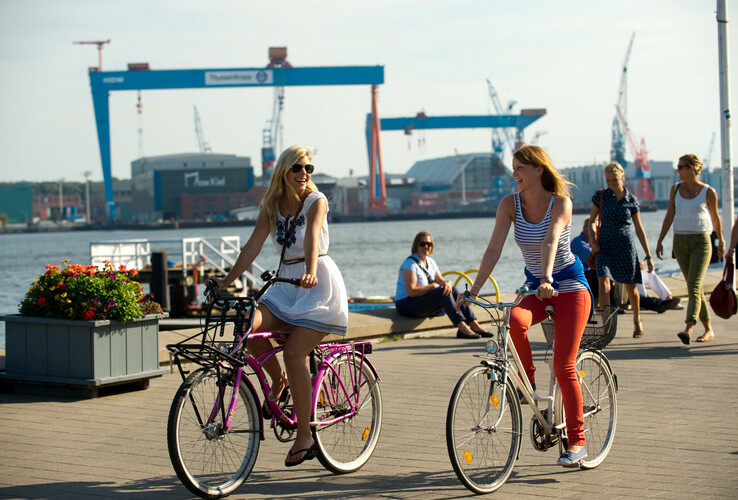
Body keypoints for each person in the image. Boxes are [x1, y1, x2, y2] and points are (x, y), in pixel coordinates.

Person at [214, 145, 348, 467]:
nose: (304, 174)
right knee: (246, 324)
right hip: (285, 285)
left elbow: (313, 237)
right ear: (284, 172)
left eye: (308, 169)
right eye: (298, 169)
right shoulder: (272, 205)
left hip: (317, 286)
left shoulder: (317, 201)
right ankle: (279, 381)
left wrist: (311, 272)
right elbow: (252, 246)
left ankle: (305, 435)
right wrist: (226, 281)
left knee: (294, 353)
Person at [460, 145, 592, 467]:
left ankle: (577, 442)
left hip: (570, 287)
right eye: (514, 168)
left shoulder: (561, 203)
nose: (515, 173)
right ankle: (529, 387)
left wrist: (548, 277)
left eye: (520, 168)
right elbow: (494, 249)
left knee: (563, 366)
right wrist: (474, 290)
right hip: (536, 287)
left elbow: (550, 239)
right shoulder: (509, 205)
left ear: (538, 171)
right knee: (511, 322)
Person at [655, 154, 725, 344]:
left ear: (692, 169)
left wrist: (721, 242)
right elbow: (670, 214)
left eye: (681, 167)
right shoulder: (675, 189)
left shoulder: (708, 192)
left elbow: (716, 218)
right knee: (696, 288)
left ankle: (689, 327)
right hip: (680, 242)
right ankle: (709, 329)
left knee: (693, 285)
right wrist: (660, 239)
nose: (678, 170)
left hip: (701, 242)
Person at [588, 162, 654, 338]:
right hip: (604, 246)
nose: (611, 183)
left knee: (631, 287)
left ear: (622, 177)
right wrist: (593, 242)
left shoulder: (631, 200)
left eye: (615, 179)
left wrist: (648, 255)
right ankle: (607, 325)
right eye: (608, 180)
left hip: (625, 246)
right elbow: (591, 222)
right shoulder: (600, 196)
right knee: (603, 284)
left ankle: (637, 320)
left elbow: (638, 228)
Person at [395, 231, 491, 339]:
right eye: (422, 244)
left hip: (421, 302)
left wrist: (448, 283)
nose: (426, 246)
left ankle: (473, 324)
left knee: (452, 289)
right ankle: (462, 326)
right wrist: (432, 286)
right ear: (416, 245)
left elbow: (441, 281)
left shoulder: (430, 262)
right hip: (406, 304)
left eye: (429, 244)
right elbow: (411, 292)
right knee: (442, 291)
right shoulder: (409, 264)